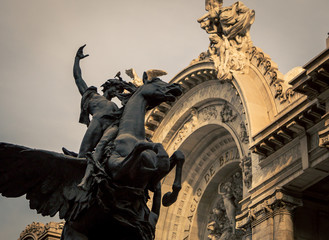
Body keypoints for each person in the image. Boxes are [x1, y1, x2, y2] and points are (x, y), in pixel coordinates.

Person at [72, 44, 128, 188]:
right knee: (82, 156)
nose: (117, 91)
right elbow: (78, 79)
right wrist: (77, 60)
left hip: (109, 130)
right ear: (109, 87)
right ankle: (77, 180)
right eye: (116, 88)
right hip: (96, 125)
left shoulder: (116, 107)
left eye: (119, 90)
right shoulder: (93, 96)